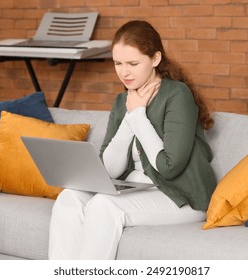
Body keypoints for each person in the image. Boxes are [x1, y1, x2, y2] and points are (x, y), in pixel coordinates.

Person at [48, 20, 217, 260]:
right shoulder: (122, 101)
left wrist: (138, 116)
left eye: (133, 63)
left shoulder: (177, 95)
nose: (124, 72)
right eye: (118, 63)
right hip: (139, 189)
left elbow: (170, 167)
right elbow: (109, 170)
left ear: (155, 59)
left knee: (104, 205)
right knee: (69, 197)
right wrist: (128, 118)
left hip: (182, 197)